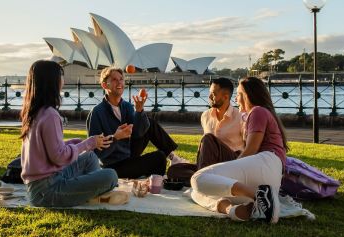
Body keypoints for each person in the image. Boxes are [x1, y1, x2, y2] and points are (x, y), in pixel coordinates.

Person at [20, 60, 127, 207]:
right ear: (52, 80)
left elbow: (48, 149)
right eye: (61, 75)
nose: (63, 80)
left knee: (90, 156)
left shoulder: (36, 111)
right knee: (111, 175)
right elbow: (59, 157)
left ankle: (91, 191)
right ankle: (94, 192)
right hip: (47, 191)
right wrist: (89, 143)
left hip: (43, 184)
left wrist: (76, 143)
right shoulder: (50, 115)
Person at [190, 76, 289, 223]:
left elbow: (251, 150)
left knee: (197, 179)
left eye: (238, 94)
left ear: (247, 96)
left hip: (265, 164)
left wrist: (230, 166)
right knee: (197, 192)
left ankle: (258, 196)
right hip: (267, 176)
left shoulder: (257, 112)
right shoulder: (258, 113)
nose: (235, 99)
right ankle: (234, 210)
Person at [87, 67, 187, 179]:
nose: (119, 82)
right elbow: (96, 153)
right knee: (159, 158)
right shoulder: (97, 113)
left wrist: (139, 111)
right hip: (113, 165)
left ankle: (173, 158)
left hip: (128, 154)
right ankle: (152, 174)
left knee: (148, 122)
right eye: (114, 79)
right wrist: (115, 137)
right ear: (105, 85)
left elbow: (138, 133)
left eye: (121, 79)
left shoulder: (127, 106)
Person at [196, 77, 244, 170]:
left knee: (207, 138)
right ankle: (202, 174)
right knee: (175, 170)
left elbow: (248, 147)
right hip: (211, 163)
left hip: (232, 163)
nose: (209, 97)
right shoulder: (205, 116)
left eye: (213, 94)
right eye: (210, 93)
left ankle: (202, 176)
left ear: (225, 97)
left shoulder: (240, 117)